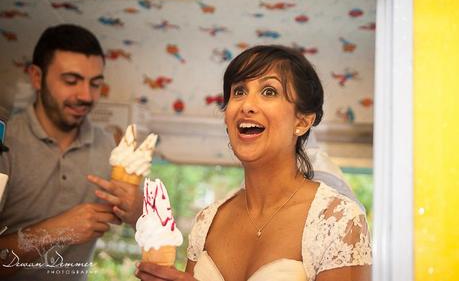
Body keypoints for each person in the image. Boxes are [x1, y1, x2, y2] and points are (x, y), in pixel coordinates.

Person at [136, 45, 372, 281]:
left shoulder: (338, 220)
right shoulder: (208, 221)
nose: (246, 105)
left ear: (302, 122)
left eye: (269, 91)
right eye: (238, 92)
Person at [0, 24, 142, 280]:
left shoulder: (110, 147)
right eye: (71, 81)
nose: (86, 96)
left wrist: (137, 210)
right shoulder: (5, 141)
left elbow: (148, 219)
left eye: (95, 84)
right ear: (36, 77)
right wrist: (56, 230)